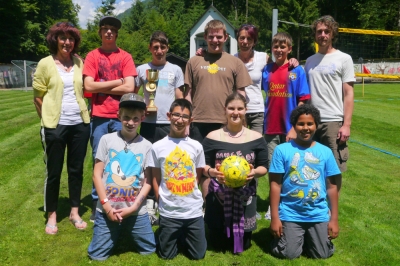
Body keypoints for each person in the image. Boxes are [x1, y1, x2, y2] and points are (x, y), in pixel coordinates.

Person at [33, 21, 90, 234]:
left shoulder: (79, 63)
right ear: (55, 39)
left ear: (75, 42)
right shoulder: (45, 63)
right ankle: (52, 215)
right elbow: (37, 98)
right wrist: (49, 121)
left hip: (80, 125)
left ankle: (75, 212)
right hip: (55, 126)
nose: (67, 42)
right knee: (54, 171)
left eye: (71, 38)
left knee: (76, 170)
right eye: (63, 37)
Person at [88, 93, 156, 260]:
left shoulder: (147, 146)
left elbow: (147, 182)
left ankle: (127, 225)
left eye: (135, 118)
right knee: (97, 255)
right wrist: (106, 207)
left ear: (142, 118)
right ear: (118, 116)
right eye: (126, 118)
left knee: (149, 250)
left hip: (135, 210)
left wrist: (133, 208)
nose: (131, 122)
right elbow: (97, 175)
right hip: (107, 208)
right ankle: (115, 228)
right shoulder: (106, 140)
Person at [269, 104, 342, 259]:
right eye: (301, 124)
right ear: (294, 125)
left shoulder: (325, 152)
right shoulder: (282, 150)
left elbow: (332, 187)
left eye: (310, 123)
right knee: (289, 254)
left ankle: (310, 239)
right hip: (290, 212)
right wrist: (275, 217)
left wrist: (334, 219)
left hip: (317, 213)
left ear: (316, 125)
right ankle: (285, 240)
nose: (305, 128)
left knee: (322, 254)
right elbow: (275, 185)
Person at [83, 16, 137, 221]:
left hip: (121, 117)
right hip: (99, 117)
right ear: (100, 32)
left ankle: (123, 200)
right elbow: (88, 86)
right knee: (99, 159)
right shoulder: (92, 56)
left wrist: (101, 84)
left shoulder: (125, 57)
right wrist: (117, 82)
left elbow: (129, 87)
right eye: (105, 29)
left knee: (123, 159)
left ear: (116, 34)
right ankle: (98, 204)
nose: (108, 32)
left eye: (112, 30)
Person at [202, 92, 268, 254]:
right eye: (231, 108)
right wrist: (212, 172)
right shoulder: (212, 137)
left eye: (240, 108)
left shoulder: (256, 138)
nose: (235, 112)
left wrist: (255, 173)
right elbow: (202, 166)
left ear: (246, 110)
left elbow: (264, 167)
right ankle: (218, 226)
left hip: (245, 196)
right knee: (217, 244)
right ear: (225, 110)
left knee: (244, 244)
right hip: (219, 195)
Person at [135, 31, 185, 225]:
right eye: (155, 47)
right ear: (150, 48)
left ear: (167, 48)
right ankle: (149, 204)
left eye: (162, 47)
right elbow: (135, 93)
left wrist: (182, 119)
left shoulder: (175, 69)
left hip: (168, 124)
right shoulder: (141, 70)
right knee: (148, 164)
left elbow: (179, 96)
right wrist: (141, 109)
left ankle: (168, 200)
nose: (159, 51)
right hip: (148, 124)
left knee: (168, 163)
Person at [148, 99, 207, 260]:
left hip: (192, 210)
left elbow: (198, 174)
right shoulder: (157, 147)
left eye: (185, 117)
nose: (180, 120)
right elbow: (155, 177)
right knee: (166, 255)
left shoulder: (196, 146)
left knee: (198, 255)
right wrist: (160, 198)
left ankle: (184, 234)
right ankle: (171, 232)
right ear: (169, 116)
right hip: (169, 210)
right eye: (176, 115)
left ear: (190, 120)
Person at [261, 32, 310, 219]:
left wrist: (293, 127)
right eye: (276, 46)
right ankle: (272, 206)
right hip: (271, 126)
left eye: (283, 47)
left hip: (289, 128)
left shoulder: (297, 71)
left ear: (289, 49)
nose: (279, 50)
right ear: (272, 49)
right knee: (274, 168)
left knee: (292, 167)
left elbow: (302, 101)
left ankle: (288, 203)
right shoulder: (267, 70)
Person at [185, 19, 252, 143]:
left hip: (225, 121)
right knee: (199, 160)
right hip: (198, 121)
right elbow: (188, 94)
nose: (215, 40)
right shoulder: (193, 62)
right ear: (205, 37)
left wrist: (242, 119)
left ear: (225, 37)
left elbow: (241, 94)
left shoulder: (235, 62)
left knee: (223, 161)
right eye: (211, 37)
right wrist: (187, 120)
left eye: (219, 37)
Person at [305, 15, 355, 172]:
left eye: (327, 31)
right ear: (315, 34)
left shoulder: (344, 59)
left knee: (333, 171)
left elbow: (348, 93)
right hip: (311, 122)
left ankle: (332, 198)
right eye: (319, 31)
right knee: (311, 169)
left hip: (332, 122)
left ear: (333, 33)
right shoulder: (309, 61)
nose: (323, 35)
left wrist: (346, 125)